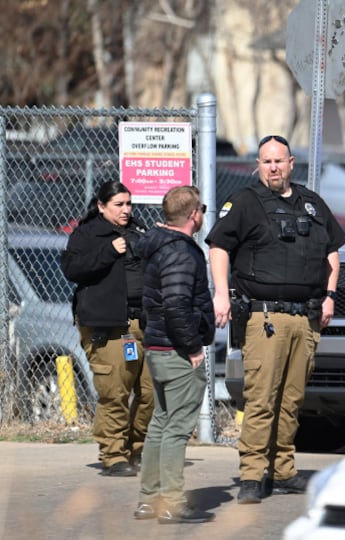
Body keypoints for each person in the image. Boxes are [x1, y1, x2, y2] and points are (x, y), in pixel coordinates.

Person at [205, 134, 345, 504]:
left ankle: (283, 470)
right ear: (258, 165)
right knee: (262, 398)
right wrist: (221, 293)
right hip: (265, 317)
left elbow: (333, 251)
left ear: (291, 162)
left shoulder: (312, 204)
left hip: (307, 319)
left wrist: (330, 296)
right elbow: (219, 247)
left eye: (279, 161)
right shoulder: (245, 203)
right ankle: (252, 474)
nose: (273, 167)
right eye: (266, 161)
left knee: (292, 400)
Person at [132, 185, 215, 524]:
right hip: (176, 348)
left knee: (161, 424)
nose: (203, 215)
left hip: (157, 345)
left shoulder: (157, 243)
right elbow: (177, 303)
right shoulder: (180, 252)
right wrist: (193, 348)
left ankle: (149, 499)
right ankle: (171, 503)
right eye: (203, 209)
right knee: (176, 428)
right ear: (194, 214)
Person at [61, 180, 153, 477]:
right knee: (114, 391)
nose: (126, 210)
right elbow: (73, 270)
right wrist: (109, 250)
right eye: (119, 204)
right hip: (110, 326)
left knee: (151, 393)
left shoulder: (140, 232)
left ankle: (138, 449)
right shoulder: (87, 234)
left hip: (145, 323)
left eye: (129, 204)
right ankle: (114, 454)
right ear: (102, 206)